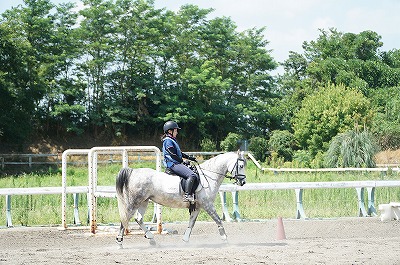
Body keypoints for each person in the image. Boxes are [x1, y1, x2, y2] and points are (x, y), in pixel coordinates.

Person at [161, 121, 198, 202]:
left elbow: (179, 153)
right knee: (192, 175)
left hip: (175, 163)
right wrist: (182, 161)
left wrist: (189, 158)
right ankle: (187, 195)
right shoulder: (168, 141)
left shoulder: (172, 140)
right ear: (170, 131)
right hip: (173, 164)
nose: (177, 132)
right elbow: (172, 154)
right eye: (176, 130)